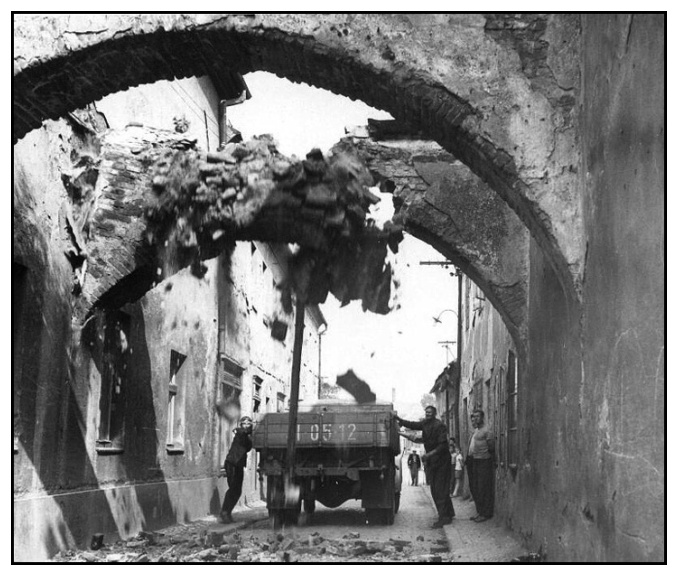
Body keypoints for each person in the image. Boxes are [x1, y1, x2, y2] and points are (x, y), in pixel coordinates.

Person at [396, 406, 455, 528]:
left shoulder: (439, 426)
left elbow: (443, 446)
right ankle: (449, 513)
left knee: (439, 489)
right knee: (438, 488)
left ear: (434, 414)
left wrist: (428, 455)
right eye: (426, 412)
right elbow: (413, 424)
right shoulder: (425, 424)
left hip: (442, 461)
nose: (428, 414)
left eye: (430, 412)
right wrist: (400, 420)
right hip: (434, 461)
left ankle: (444, 518)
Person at [219, 415, 254, 523]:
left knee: (237, 491)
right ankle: (224, 513)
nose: (246, 426)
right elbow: (241, 432)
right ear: (241, 425)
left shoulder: (247, 437)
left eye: (248, 424)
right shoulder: (240, 433)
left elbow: (248, 446)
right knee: (233, 489)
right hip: (232, 463)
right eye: (244, 424)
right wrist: (241, 430)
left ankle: (227, 512)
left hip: (239, 464)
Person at [466, 409, 495, 522]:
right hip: (475, 461)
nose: (475, 418)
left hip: (484, 461)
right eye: (474, 416)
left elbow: (491, 447)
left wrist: (491, 459)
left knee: (483, 488)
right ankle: (480, 512)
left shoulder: (486, 430)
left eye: (478, 416)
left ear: (482, 417)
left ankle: (485, 513)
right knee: (476, 488)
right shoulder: (476, 431)